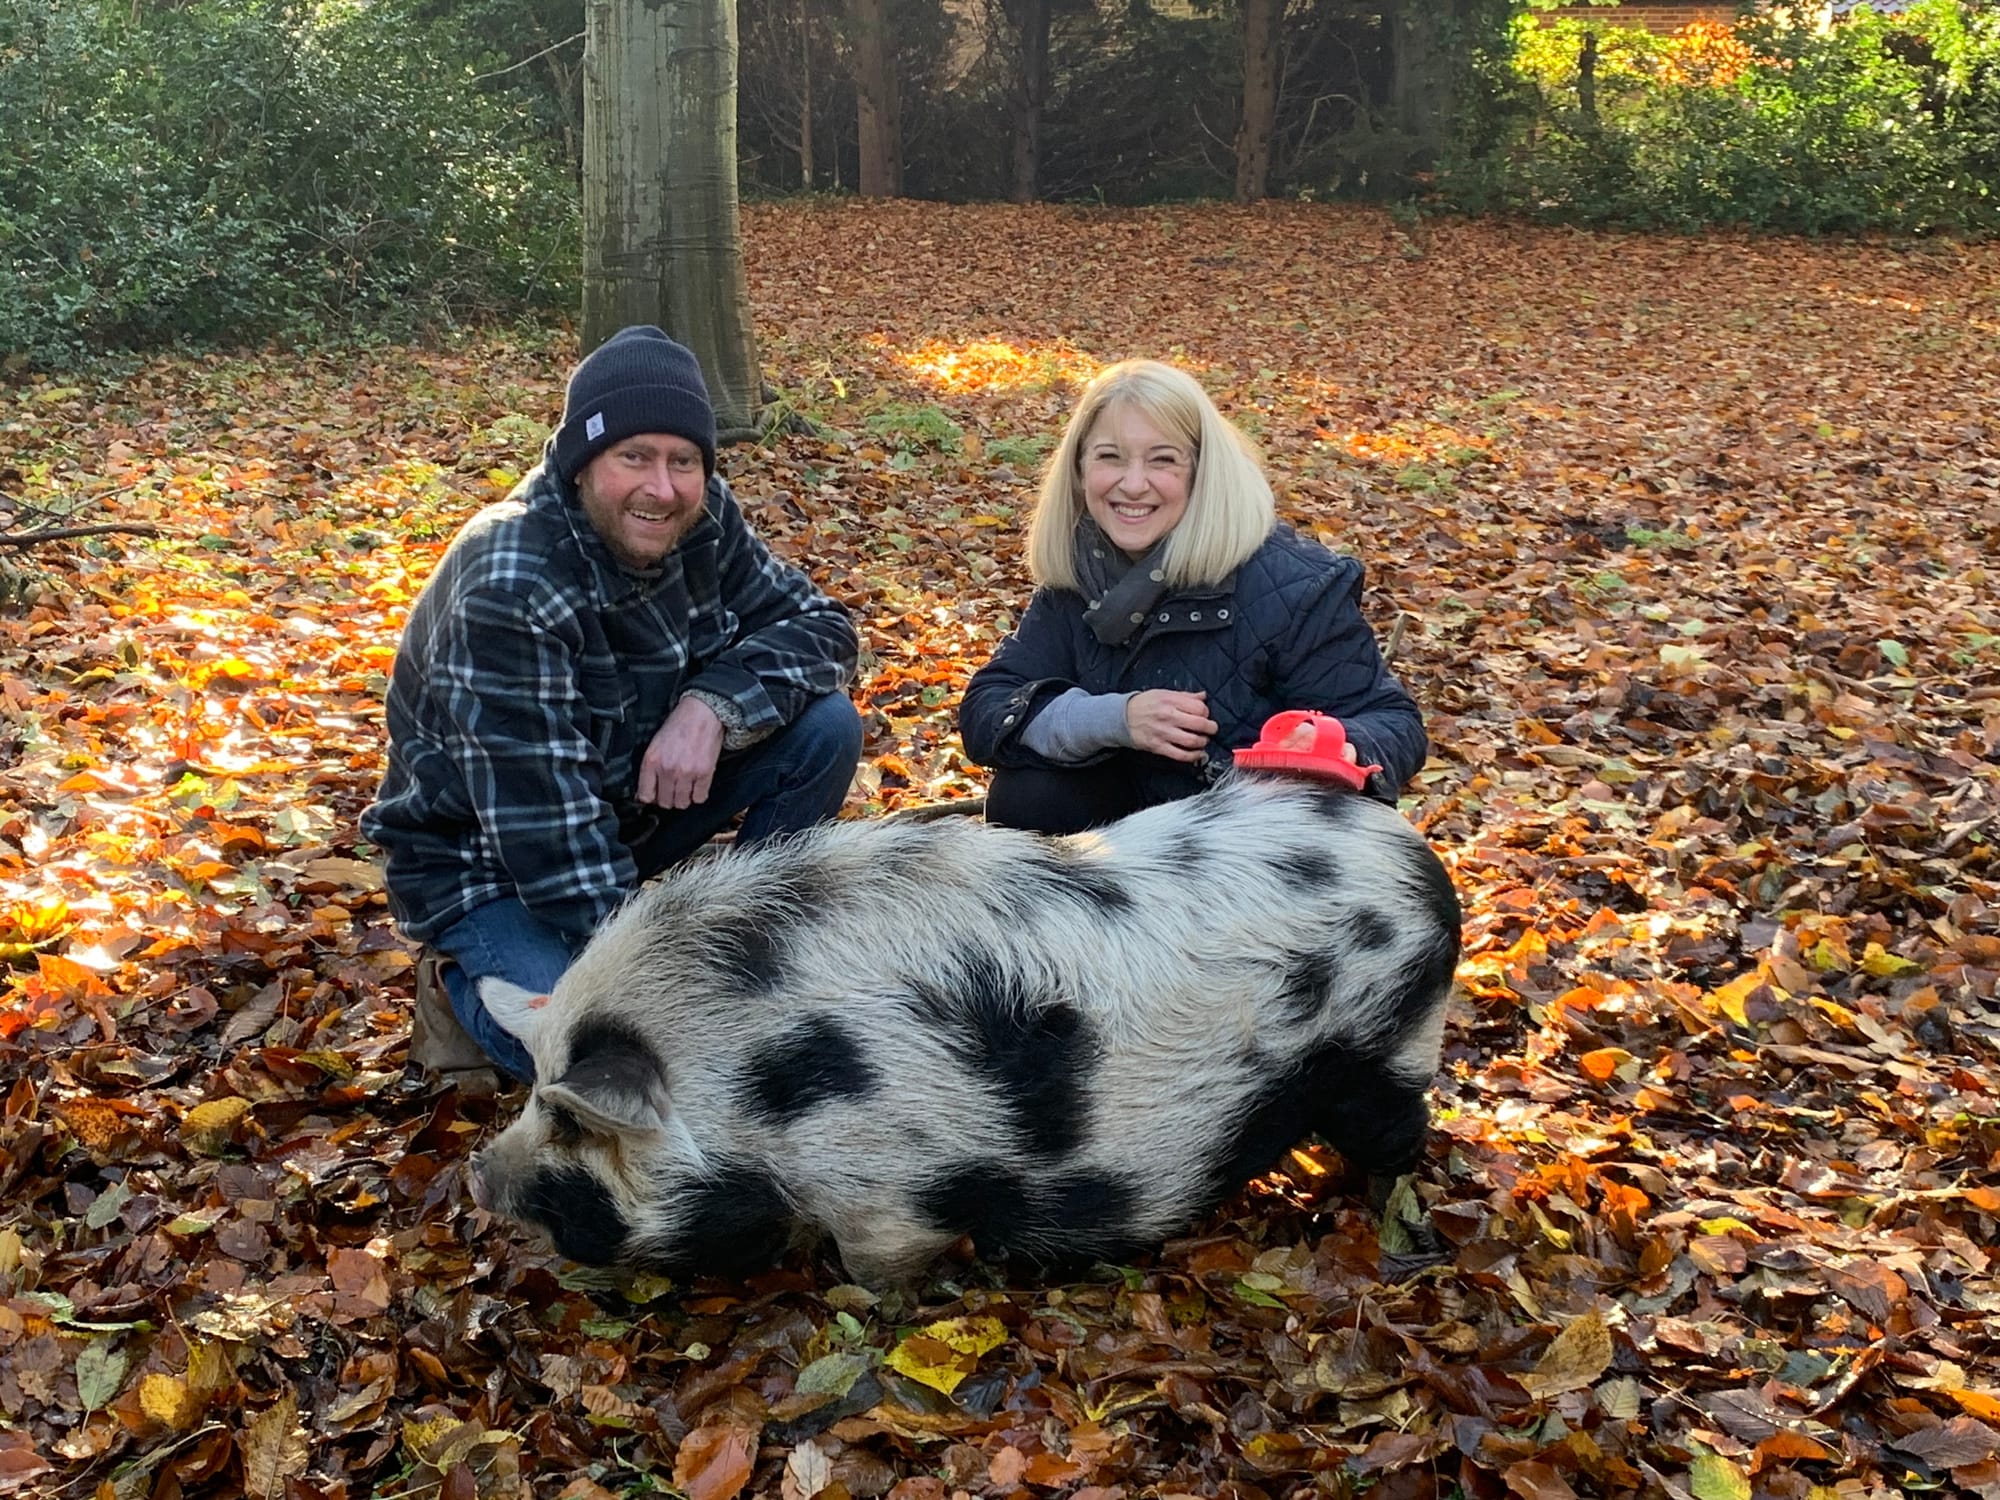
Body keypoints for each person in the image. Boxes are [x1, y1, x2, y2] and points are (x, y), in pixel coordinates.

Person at [362, 326, 862, 1084]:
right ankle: (458, 982)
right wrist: (675, 998)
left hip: (625, 806)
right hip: (488, 861)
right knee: (601, 1057)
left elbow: (822, 628)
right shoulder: (509, 589)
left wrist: (711, 707)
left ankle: (757, 947)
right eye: (634, 456)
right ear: (581, 461)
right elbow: (554, 847)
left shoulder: (700, 517)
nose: (661, 488)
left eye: (683, 461)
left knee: (823, 729)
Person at [958, 358, 1425, 835]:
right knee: (1030, 795)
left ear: (1202, 472)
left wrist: (1339, 745)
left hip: (1254, 850)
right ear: (1079, 470)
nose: (1133, 484)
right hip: (1120, 861)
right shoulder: (1078, 575)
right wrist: (1115, 719)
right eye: (1110, 457)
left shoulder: (1295, 584)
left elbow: (1395, 724)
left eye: (1163, 459)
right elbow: (989, 709)